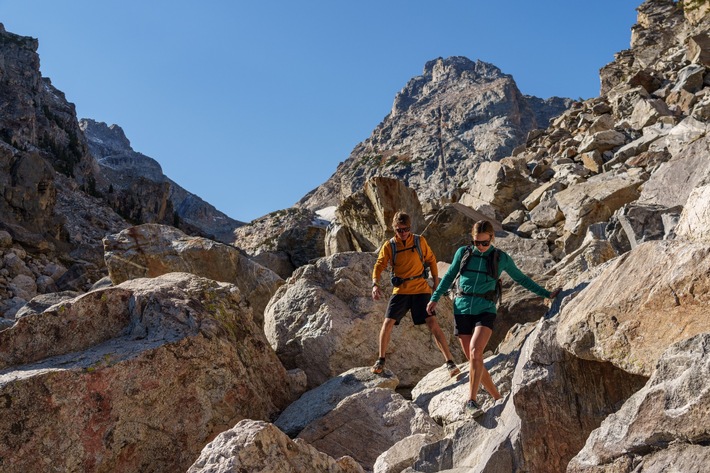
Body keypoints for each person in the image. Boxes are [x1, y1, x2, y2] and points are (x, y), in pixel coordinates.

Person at [426, 220, 560, 416]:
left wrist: (546, 293)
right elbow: (448, 276)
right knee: (474, 358)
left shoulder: (501, 258)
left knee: (475, 351)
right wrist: (435, 298)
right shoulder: (463, 253)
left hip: (486, 309)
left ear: (492, 238)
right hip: (462, 308)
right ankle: (497, 397)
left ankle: (471, 401)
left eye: (484, 243)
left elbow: (521, 278)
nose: (480, 247)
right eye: (476, 243)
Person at [371, 210, 461, 378]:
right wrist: (375, 284)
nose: (403, 233)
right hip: (401, 291)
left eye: (406, 229)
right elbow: (379, 264)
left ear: (410, 227)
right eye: (399, 230)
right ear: (394, 229)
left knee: (432, 323)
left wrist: (435, 281)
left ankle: (450, 362)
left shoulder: (419, 241)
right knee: (387, 323)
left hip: (421, 289)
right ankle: (381, 360)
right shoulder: (389, 246)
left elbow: (431, 259)